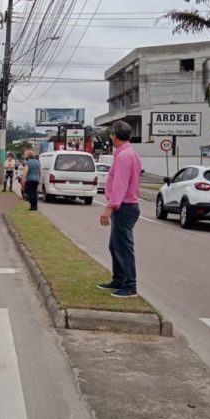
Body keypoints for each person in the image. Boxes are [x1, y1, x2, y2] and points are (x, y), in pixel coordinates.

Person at [98, 120, 142, 298]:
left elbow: (120, 185)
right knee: (114, 246)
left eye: (111, 135)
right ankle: (118, 279)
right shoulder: (127, 153)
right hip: (124, 207)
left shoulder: (124, 156)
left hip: (124, 207)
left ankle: (130, 285)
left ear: (114, 137)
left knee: (123, 248)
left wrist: (109, 208)